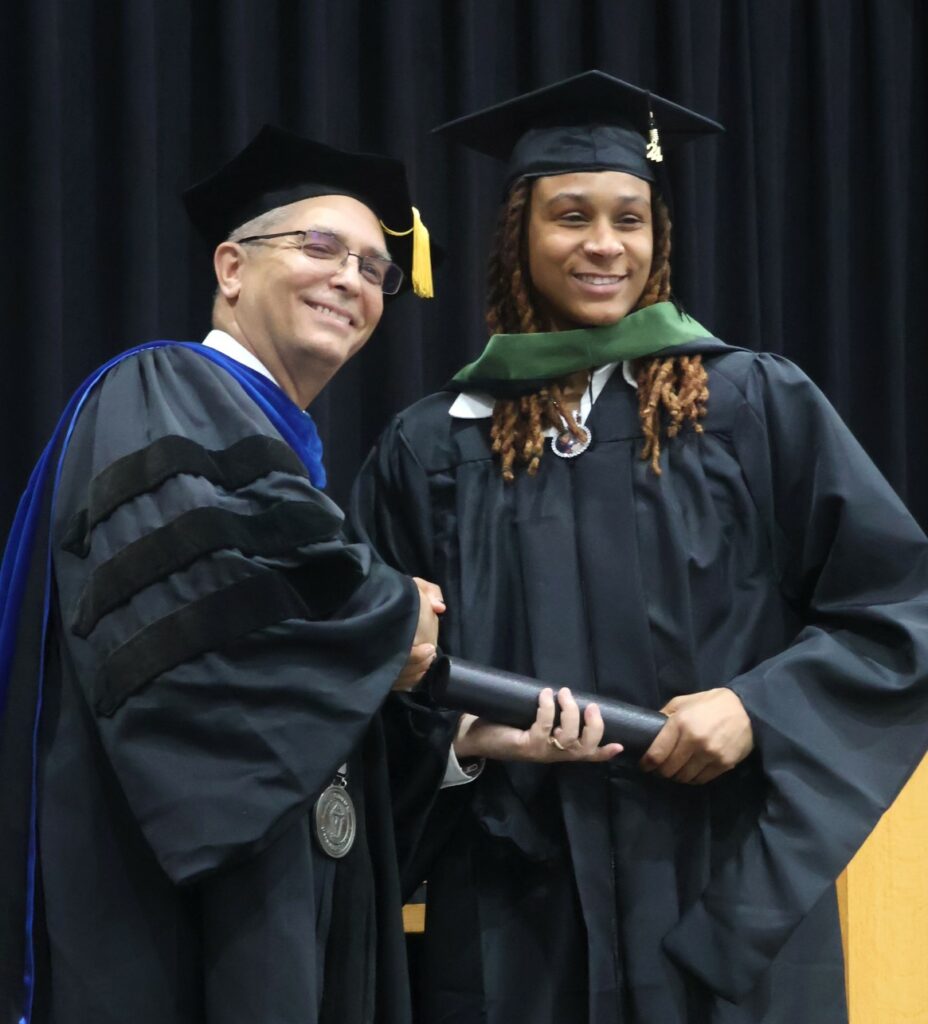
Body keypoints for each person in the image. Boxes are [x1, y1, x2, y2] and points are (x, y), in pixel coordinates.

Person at [350, 72, 928, 1024]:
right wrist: (461, 743)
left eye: (631, 218)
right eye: (569, 215)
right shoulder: (434, 445)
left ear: (659, 242)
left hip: (722, 900)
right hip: (514, 905)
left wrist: (757, 707)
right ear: (519, 235)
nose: (603, 245)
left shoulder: (749, 406)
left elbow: (897, 609)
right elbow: (371, 671)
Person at [0, 124, 452, 1024]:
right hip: (162, 918)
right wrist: (386, 615)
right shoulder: (160, 389)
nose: (351, 280)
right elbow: (192, 632)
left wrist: (456, 739)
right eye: (320, 247)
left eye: (374, 268)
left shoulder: (282, 461)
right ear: (231, 269)